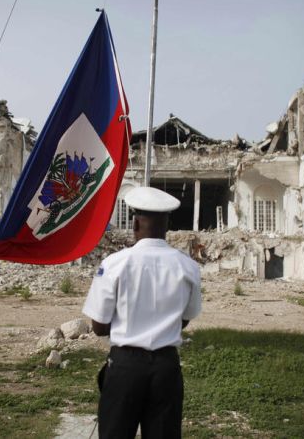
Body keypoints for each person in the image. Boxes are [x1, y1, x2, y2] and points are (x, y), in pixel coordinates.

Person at [82, 186, 202, 439]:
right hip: (166, 367)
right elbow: (185, 319)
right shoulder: (188, 267)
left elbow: (100, 327)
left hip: (125, 366)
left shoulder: (115, 264)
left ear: (135, 223)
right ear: (166, 226)